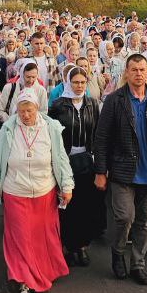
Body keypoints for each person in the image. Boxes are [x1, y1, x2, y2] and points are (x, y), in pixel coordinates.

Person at [93, 53, 147, 285]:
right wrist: (100, 171)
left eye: (142, 70)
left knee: (144, 222)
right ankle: (118, 252)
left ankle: (138, 264)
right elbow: (101, 138)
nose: (139, 74)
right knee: (124, 217)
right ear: (126, 73)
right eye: (134, 70)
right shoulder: (114, 100)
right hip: (123, 172)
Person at [0, 89, 73, 293]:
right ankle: (24, 283)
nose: (25, 115)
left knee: (41, 237)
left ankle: (41, 271)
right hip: (15, 190)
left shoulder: (51, 127)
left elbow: (60, 158)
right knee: (20, 238)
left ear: (37, 109)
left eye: (30, 110)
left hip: (44, 190)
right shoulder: (8, 128)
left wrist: (66, 185)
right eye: (21, 111)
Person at [48, 66, 106, 262]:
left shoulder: (92, 104)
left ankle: (82, 246)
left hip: (87, 161)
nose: (79, 86)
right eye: (75, 82)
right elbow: (51, 135)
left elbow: (98, 134)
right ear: (68, 83)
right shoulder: (58, 105)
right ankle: (68, 245)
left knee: (85, 205)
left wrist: (100, 162)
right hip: (65, 161)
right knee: (67, 205)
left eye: (82, 82)